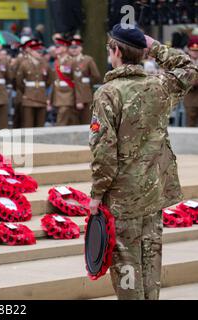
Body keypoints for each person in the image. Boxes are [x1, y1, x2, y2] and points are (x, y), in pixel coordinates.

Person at [88, 24, 198, 300]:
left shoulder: (108, 93)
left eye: (109, 49)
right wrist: (155, 47)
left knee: (126, 265)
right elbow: (189, 68)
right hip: (154, 190)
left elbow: (104, 152)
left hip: (123, 196)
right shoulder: (160, 84)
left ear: (116, 52)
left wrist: (96, 194)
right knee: (151, 259)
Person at [16, 39, 53, 128]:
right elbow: (19, 81)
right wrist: (26, 91)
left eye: (41, 51)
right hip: (28, 98)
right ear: (31, 52)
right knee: (28, 123)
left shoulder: (45, 64)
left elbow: (49, 80)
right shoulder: (24, 64)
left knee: (40, 124)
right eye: (37, 51)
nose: (40, 53)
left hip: (41, 97)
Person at [68, 35, 101, 124]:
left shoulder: (87, 60)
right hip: (69, 95)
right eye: (71, 47)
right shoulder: (66, 61)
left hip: (85, 94)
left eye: (76, 47)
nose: (74, 49)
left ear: (81, 48)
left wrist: (86, 83)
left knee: (86, 121)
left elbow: (96, 76)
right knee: (72, 123)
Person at [50, 36, 79, 126]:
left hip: (68, 94)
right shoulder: (57, 61)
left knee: (61, 120)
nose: (56, 48)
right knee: (71, 120)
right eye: (55, 46)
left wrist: (79, 99)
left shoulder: (72, 61)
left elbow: (78, 81)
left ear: (65, 47)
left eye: (58, 46)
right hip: (57, 94)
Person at [184, 36, 198, 127]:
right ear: (188, 50)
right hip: (190, 96)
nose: (195, 53)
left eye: (197, 51)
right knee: (191, 122)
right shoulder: (185, 62)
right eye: (193, 50)